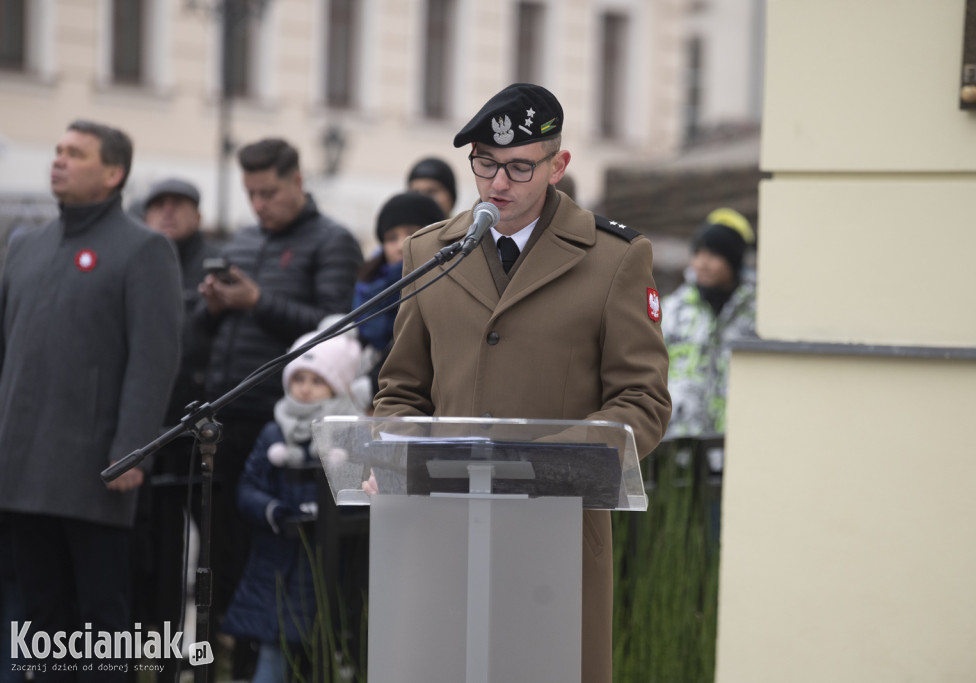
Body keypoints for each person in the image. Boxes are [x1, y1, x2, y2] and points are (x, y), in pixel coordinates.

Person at [373, 83, 671, 683]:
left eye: (518, 166)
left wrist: (552, 463)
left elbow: (643, 400)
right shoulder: (432, 252)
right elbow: (401, 389)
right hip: (444, 533)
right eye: (484, 163)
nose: (497, 184)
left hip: (554, 536)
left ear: (558, 166)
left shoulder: (614, 258)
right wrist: (395, 448)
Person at [0, 119, 182, 680]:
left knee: (103, 624)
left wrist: (132, 448)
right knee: (40, 619)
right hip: (22, 464)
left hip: (95, 468)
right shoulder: (24, 245)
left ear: (113, 173)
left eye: (75, 153)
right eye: (57, 150)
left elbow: (154, 359)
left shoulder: (144, 249)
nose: (59, 160)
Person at [195, 137, 363, 675]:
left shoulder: (331, 241)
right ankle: (233, 658)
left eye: (269, 192)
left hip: (283, 425)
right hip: (224, 417)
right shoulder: (242, 242)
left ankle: (272, 663)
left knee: (276, 557)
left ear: (297, 181)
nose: (259, 205)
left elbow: (334, 330)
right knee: (222, 555)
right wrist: (213, 306)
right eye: (250, 194)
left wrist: (257, 302)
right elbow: (203, 332)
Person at [221, 327, 362, 683]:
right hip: (276, 561)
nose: (305, 387)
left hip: (327, 563)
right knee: (274, 647)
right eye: (298, 377)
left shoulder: (347, 434)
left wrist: (326, 516)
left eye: (317, 379)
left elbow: (357, 497)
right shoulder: (274, 433)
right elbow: (249, 488)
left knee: (325, 649)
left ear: (338, 385)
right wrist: (275, 511)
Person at [138, 178, 222, 681]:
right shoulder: (141, 259)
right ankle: (157, 657)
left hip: (198, 429)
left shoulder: (212, 262)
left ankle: (204, 657)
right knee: (156, 555)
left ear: (196, 212)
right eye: (159, 205)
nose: (168, 213)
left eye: (179, 205)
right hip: (148, 430)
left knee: (206, 551)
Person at [661, 207, 757, 440]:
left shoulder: (755, 312)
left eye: (713, 255)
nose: (703, 263)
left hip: (737, 437)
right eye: (698, 253)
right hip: (678, 439)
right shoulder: (673, 308)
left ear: (732, 261)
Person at [349, 191, 446, 413]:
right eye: (391, 238)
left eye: (411, 234)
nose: (400, 245)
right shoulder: (367, 286)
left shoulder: (441, 284)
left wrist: (373, 385)